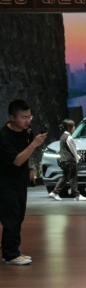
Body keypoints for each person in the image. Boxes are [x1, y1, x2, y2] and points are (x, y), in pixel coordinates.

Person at [0, 99, 47, 265]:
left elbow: (26, 154)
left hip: (19, 181)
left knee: (18, 216)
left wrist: (31, 169)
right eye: (23, 117)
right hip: (5, 182)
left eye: (29, 117)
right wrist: (34, 144)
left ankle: (9, 251)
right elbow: (17, 160)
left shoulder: (27, 131)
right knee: (11, 217)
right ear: (12, 118)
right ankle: (11, 255)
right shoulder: (3, 136)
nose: (27, 120)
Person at [48, 119, 86, 201]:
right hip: (70, 160)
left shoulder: (63, 136)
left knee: (65, 177)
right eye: (73, 126)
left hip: (64, 160)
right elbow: (73, 150)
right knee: (73, 178)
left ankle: (55, 192)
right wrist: (77, 158)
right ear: (69, 127)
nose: (74, 127)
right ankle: (77, 195)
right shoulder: (69, 137)